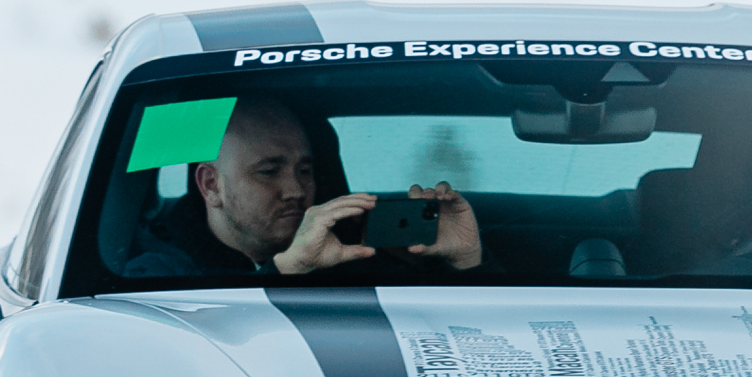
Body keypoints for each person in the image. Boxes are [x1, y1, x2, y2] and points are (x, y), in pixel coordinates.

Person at [122, 96, 482, 278]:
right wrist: (286, 271)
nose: (296, 190)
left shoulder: (353, 258)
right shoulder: (158, 276)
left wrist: (468, 262)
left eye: (305, 170)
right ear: (211, 185)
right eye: (268, 172)